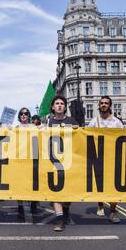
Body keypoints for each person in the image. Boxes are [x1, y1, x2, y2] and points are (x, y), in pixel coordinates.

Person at [88, 96, 124, 224]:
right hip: (98, 157)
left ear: (110, 106)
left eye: (106, 103)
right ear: (99, 105)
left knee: (114, 184)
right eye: (102, 103)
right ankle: (100, 204)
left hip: (113, 157)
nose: (103, 105)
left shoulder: (117, 122)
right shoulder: (93, 121)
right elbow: (87, 137)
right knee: (99, 183)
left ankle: (113, 211)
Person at [47, 96, 78, 232]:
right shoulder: (48, 122)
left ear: (65, 107)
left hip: (69, 161)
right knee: (56, 191)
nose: (59, 106)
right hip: (52, 161)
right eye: (57, 103)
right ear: (53, 107)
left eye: (62, 104)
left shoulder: (71, 121)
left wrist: (77, 129)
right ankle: (60, 220)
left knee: (67, 192)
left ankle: (66, 211)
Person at [16, 107, 38, 220]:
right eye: (21, 114)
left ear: (29, 115)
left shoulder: (33, 127)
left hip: (32, 158)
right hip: (20, 159)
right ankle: (20, 207)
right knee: (20, 185)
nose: (23, 115)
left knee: (33, 183)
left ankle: (33, 203)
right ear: (19, 116)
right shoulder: (16, 128)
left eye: (26, 113)